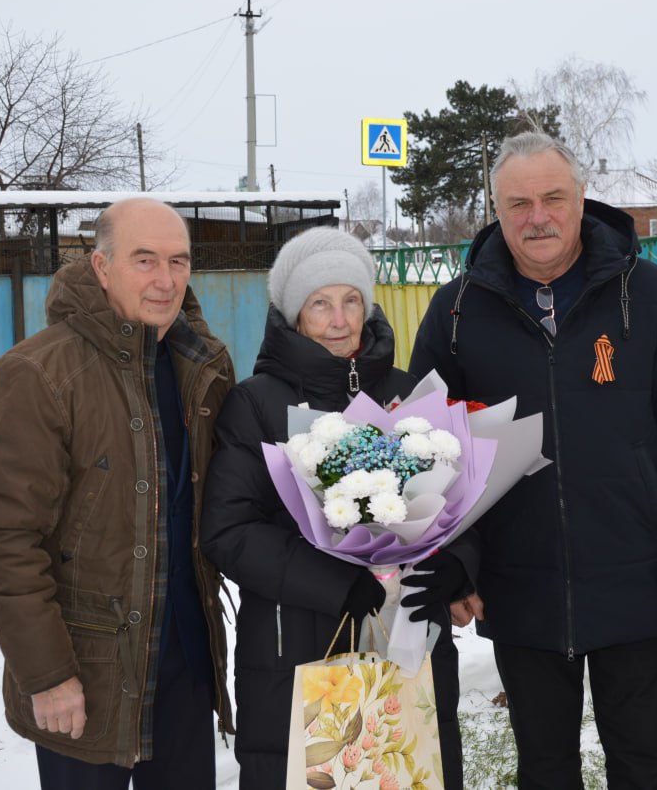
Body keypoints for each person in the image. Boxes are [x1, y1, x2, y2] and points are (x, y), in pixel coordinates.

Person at [409, 131, 657, 789]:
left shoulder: (648, 295)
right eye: (518, 203)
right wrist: (455, 569)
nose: (538, 217)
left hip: (636, 581)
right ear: (497, 210)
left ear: (582, 198)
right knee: (545, 767)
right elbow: (427, 454)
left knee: (644, 765)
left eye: (553, 197)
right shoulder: (458, 310)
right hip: (518, 585)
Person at [0, 197, 236, 787]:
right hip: (88, 674)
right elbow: (3, 542)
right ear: (101, 266)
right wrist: (47, 674)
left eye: (178, 261)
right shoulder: (39, 373)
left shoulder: (204, 364)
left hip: (187, 666)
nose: (165, 280)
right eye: (145, 260)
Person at [199, 226, 466, 789]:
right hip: (296, 647)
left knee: (407, 766)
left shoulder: (408, 392)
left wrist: (459, 564)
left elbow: (461, 495)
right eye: (321, 303)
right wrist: (335, 583)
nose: (340, 320)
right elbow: (229, 529)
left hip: (409, 637)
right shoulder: (256, 404)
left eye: (351, 301)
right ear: (295, 314)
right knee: (311, 774)